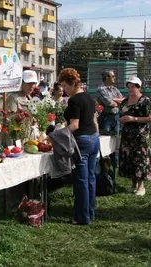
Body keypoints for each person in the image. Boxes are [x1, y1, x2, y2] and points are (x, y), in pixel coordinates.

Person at [58, 68, 100, 225]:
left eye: (65, 86)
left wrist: (58, 134)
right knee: (90, 178)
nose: (64, 90)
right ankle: (90, 212)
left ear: (72, 83)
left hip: (81, 141)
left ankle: (81, 217)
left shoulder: (74, 100)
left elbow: (74, 125)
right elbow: (95, 121)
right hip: (93, 138)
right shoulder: (89, 97)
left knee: (81, 181)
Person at [118, 77, 151, 196]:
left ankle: (141, 186)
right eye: (129, 86)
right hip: (127, 135)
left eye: (133, 86)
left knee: (140, 160)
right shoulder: (125, 101)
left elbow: (149, 117)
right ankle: (133, 185)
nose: (130, 89)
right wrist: (122, 120)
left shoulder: (145, 101)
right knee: (129, 159)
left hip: (140, 135)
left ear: (138, 87)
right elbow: (122, 114)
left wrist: (134, 119)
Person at [96, 70, 125, 135]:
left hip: (116, 117)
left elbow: (124, 101)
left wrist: (113, 99)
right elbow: (110, 103)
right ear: (107, 77)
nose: (115, 78)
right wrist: (117, 101)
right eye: (113, 76)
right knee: (106, 137)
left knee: (116, 138)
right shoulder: (101, 89)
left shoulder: (114, 89)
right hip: (106, 118)